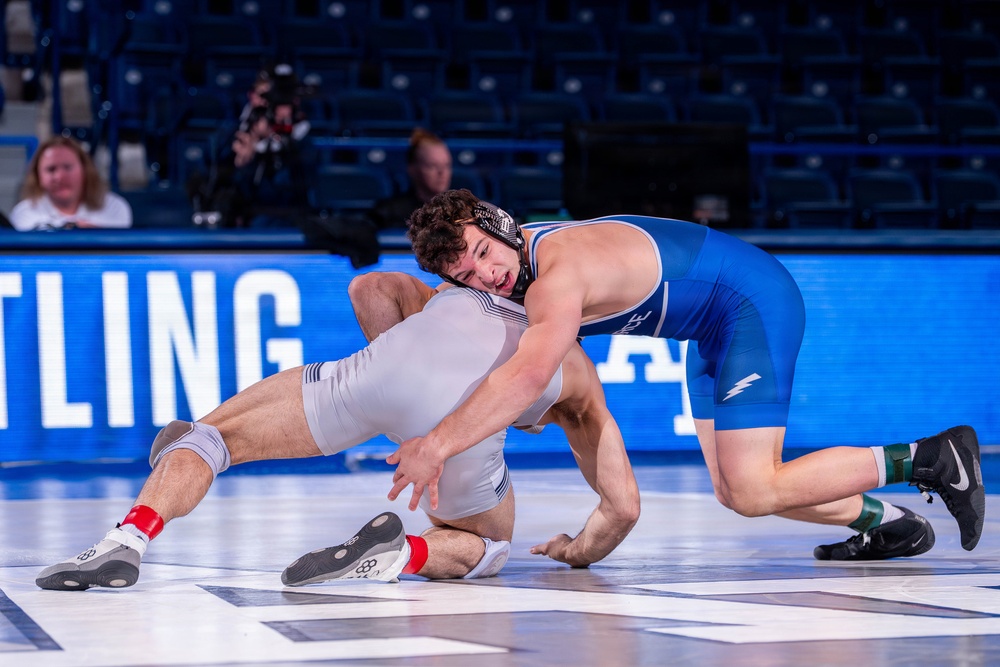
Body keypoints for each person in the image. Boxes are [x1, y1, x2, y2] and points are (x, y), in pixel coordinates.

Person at [382, 189, 985, 562]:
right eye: (468, 275)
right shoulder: (516, 265)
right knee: (733, 490)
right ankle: (887, 525)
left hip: (750, 301)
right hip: (709, 326)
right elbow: (398, 297)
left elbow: (525, 377)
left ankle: (931, 458)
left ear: (500, 225)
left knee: (753, 489)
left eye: (484, 254)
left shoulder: (556, 278)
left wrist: (436, 445)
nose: (487, 277)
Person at [35, 280, 639, 591]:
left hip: (377, 376)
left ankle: (126, 539)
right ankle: (401, 554)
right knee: (489, 545)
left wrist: (395, 377)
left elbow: (368, 289)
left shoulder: (459, 292)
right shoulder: (577, 376)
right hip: (459, 436)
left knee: (213, 438)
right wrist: (577, 552)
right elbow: (623, 508)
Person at [10, 135, 132, 231]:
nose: (60, 177)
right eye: (51, 169)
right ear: (38, 176)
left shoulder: (114, 207)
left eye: (67, 167)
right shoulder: (24, 213)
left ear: (85, 170)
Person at [369, 128, 452, 231]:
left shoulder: (461, 212)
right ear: (412, 169)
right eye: (432, 166)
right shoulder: (389, 212)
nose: (442, 172)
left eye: (446, 165)